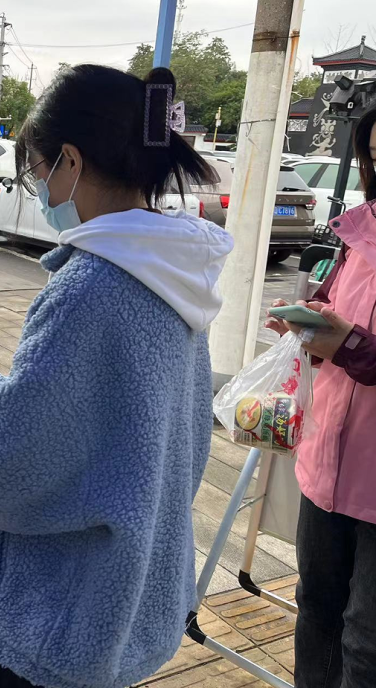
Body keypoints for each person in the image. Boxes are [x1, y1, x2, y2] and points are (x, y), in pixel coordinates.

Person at [0, 65, 234, 688]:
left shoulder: (90, 286)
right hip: (125, 599)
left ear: (70, 162)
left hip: (57, 619)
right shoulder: (175, 272)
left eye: (37, 171)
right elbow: (120, 426)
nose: (40, 190)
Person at [265, 107, 376, 688]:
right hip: (327, 466)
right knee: (316, 610)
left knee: (366, 642)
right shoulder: (359, 235)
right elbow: (333, 313)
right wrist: (306, 330)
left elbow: (355, 343)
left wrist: (350, 345)